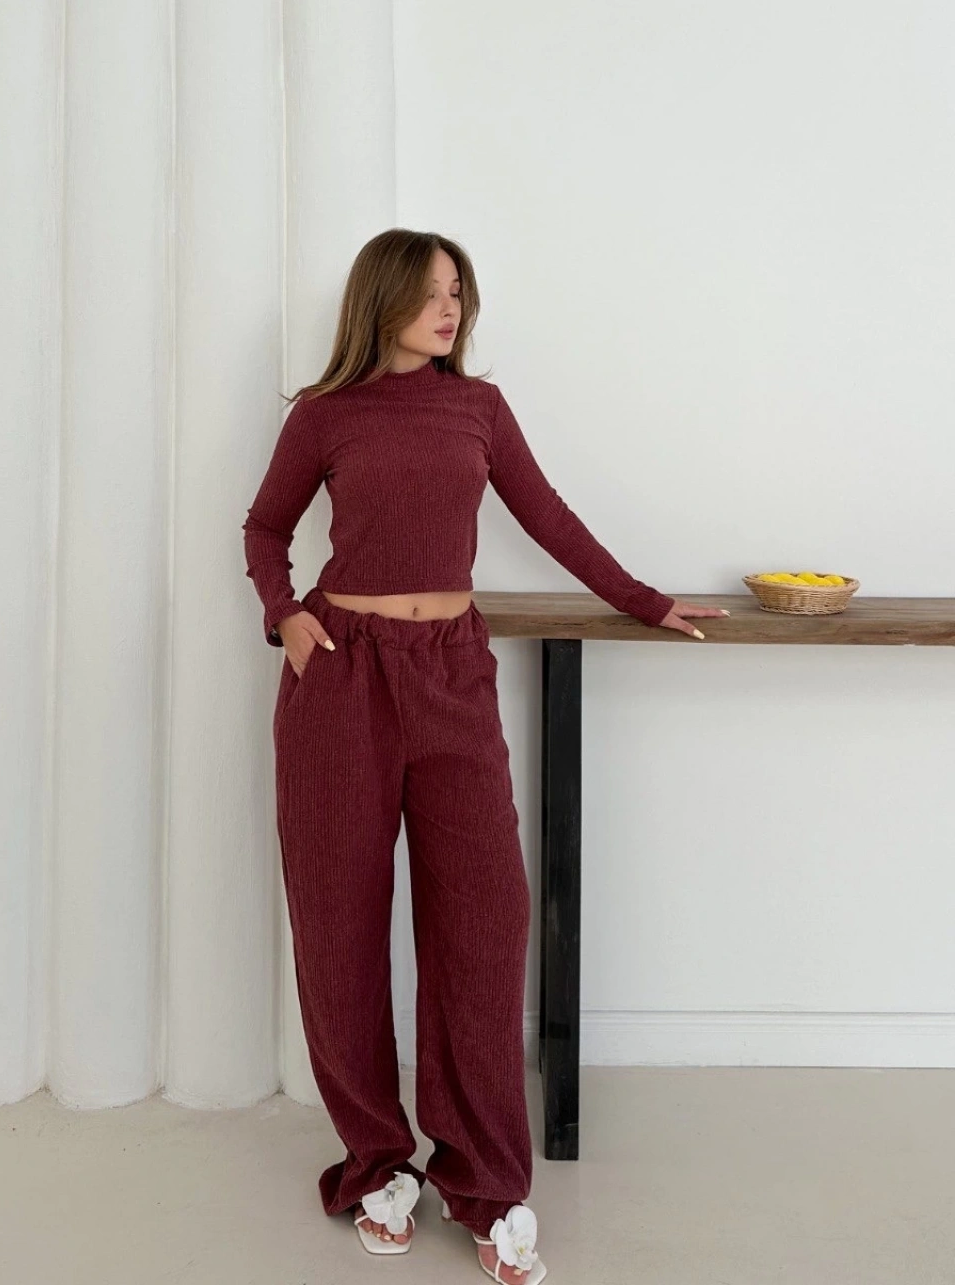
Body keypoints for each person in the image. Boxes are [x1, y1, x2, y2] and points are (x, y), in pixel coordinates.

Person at [242, 229, 727, 1282]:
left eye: (457, 291)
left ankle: (487, 1184)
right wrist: (284, 614)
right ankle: (377, 1165)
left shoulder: (479, 409)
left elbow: (548, 516)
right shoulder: (324, 414)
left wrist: (644, 599)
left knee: (483, 919)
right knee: (338, 926)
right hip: (342, 679)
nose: (449, 308)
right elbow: (265, 527)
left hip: (451, 673)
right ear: (381, 300)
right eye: (430, 292)